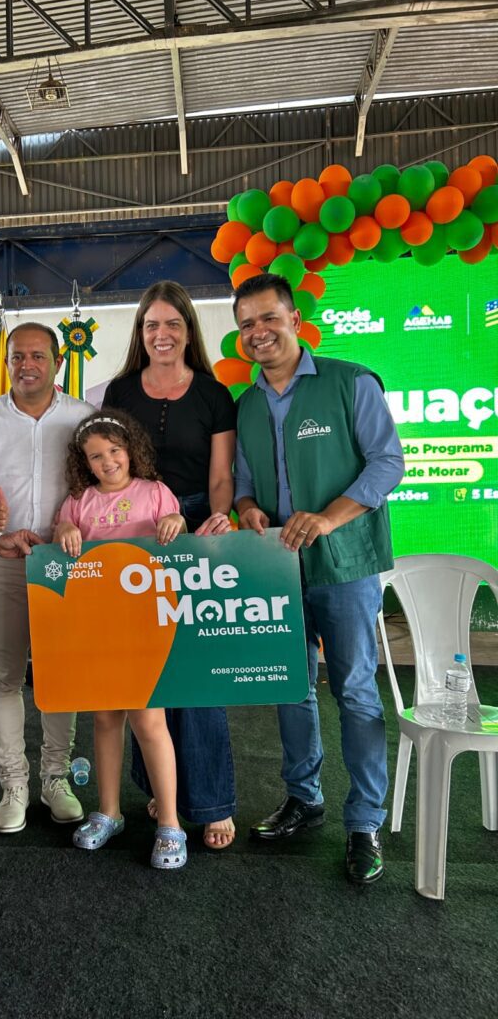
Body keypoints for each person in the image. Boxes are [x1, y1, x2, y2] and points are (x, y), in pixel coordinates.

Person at [232, 272, 404, 885]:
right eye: (246, 324)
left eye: (268, 318)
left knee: (354, 690)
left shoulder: (350, 382)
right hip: (277, 568)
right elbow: (245, 483)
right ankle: (304, 799)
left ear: (295, 320)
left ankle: (364, 822)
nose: (258, 332)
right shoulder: (247, 405)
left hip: (346, 564)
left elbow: (389, 463)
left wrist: (330, 518)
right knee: (291, 685)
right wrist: (247, 510)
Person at [102, 280, 238, 849]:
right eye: (152, 324)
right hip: (137, 536)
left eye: (173, 324)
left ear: (188, 331)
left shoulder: (213, 394)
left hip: (196, 529)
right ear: (141, 332)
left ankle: (211, 802)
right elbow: (110, 469)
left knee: (198, 671)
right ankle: (164, 788)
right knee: (148, 670)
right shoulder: (119, 391)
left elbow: (221, 475)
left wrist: (218, 521)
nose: (162, 334)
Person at [0, 322, 95, 835]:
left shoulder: (82, 416)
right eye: (17, 356)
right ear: (7, 362)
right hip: (3, 558)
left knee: (61, 676)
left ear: (57, 362)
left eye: (38, 355)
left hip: (66, 564)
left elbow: (102, 484)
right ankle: (13, 785)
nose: (27, 365)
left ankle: (55, 779)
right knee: (4, 677)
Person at [56, 410, 188, 869]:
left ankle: (169, 822)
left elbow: (178, 538)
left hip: (147, 626)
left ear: (131, 450)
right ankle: (109, 812)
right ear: (84, 462)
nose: (108, 461)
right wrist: (64, 529)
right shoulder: (78, 501)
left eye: (115, 450)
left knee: (149, 721)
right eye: (96, 456)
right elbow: (62, 544)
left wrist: (176, 521)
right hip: (98, 627)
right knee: (105, 718)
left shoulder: (155, 492)